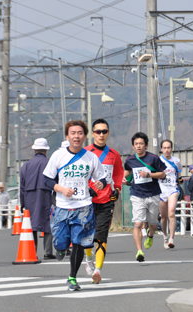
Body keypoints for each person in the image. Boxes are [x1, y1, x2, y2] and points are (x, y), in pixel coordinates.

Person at [43, 120, 107, 291]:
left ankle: (72, 277)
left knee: (78, 242)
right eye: (73, 133)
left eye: (80, 133)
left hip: (83, 207)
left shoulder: (91, 157)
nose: (76, 136)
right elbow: (46, 180)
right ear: (67, 136)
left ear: (85, 136)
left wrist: (100, 183)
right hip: (62, 207)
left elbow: (101, 177)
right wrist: (61, 189)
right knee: (61, 244)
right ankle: (60, 248)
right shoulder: (58, 155)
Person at [84, 119, 124, 284]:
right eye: (98, 131)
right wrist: (87, 188)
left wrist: (117, 189)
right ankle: (88, 259)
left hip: (106, 201)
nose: (101, 134)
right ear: (92, 134)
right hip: (87, 201)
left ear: (108, 133)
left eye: (104, 131)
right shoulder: (85, 152)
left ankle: (98, 270)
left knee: (101, 237)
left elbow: (118, 173)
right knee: (87, 236)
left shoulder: (114, 154)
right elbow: (80, 173)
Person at [123, 132, 166, 262]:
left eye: (141, 143)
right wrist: (124, 179)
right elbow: (127, 172)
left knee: (152, 224)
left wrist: (149, 175)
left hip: (152, 194)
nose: (139, 146)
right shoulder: (129, 160)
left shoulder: (153, 158)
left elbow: (163, 175)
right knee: (137, 223)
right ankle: (139, 251)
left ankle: (151, 235)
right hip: (137, 194)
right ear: (133, 146)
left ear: (146, 145)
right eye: (136, 144)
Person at [20, 138, 55, 260]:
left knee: (31, 224)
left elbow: (22, 186)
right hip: (46, 194)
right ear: (46, 150)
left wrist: (22, 203)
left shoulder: (26, 165)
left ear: (34, 150)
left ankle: (32, 251)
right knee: (47, 222)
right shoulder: (50, 163)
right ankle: (48, 252)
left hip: (29, 196)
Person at [158, 139, 183, 249]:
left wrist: (179, 179)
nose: (167, 150)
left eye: (169, 147)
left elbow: (179, 172)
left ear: (171, 149)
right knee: (163, 217)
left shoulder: (176, 161)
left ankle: (172, 239)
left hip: (173, 189)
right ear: (161, 149)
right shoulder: (158, 161)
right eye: (165, 148)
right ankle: (165, 236)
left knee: (171, 213)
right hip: (161, 190)